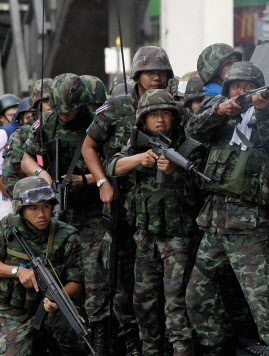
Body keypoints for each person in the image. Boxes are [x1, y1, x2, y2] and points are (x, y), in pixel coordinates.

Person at [185, 60, 269, 355]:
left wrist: (263, 107)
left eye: (250, 86)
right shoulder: (220, 122)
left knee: (264, 298)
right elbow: (194, 128)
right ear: (228, 89)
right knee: (197, 295)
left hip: (249, 225)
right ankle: (217, 346)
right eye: (237, 86)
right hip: (214, 220)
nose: (244, 91)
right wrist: (221, 110)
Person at [82, 45, 173, 355]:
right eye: (151, 72)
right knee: (122, 281)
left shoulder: (171, 106)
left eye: (162, 72)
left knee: (159, 285)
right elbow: (89, 148)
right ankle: (131, 340)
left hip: (160, 212)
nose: (157, 78)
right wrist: (103, 182)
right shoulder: (117, 106)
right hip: (121, 207)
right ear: (137, 75)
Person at [21, 73, 109, 354]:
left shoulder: (98, 122)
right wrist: (42, 174)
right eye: (59, 109)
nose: (64, 115)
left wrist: (83, 179)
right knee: (55, 273)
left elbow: (111, 164)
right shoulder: (46, 123)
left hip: (91, 210)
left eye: (69, 109)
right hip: (56, 210)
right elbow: (25, 158)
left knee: (94, 274)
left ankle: (98, 332)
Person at [108, 89, 195, 355]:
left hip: (176, 239)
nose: (160, 120)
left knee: (176, 306)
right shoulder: (137, 145)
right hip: (145, 238)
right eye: (153, 115)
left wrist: (175, 173)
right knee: (143, 304)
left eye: (166, 114)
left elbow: (198, 195)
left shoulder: (187, 147)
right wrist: (139, 159)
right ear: (143, 120)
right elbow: (112, 166)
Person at [0, 176, 83, 355]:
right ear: (20, 210)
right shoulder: (6, 229)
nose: (41, 214)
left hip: (53, 308)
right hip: (15, 311)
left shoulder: (67, 235)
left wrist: (57, 298)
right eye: (33, 208)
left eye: (46, 206)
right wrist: (16, 271)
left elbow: (76, 281)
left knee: (77, 338)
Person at [2, 79, 52, 199]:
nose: (50, 104)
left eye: (53, 99)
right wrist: (30, 203)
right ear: (35, 103)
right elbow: (9, 178)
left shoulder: (70, 128)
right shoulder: (22, 135)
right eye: (45, 101)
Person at [0, 97, 36, 215]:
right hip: (11, 195)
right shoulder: (4, 133)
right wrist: (19, 201)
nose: (32, 121)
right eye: (28, 118)